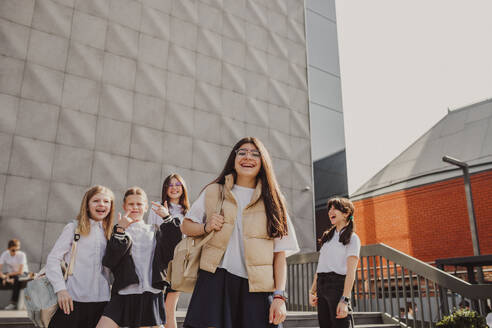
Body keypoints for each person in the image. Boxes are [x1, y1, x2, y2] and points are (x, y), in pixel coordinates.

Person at [181, 137, 300, 328]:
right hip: (215, 280)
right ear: (234, 158)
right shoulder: (214, 191)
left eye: (255, 153)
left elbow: (280, 254)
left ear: (263, 161)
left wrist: (279, 296)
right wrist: (206, 226)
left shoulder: (274, 201)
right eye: (242, 152)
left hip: (258, 288)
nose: (247, 157)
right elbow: (186, 225)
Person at [97, 187, 168, 328]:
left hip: (149, 294)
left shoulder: (154, 231)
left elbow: (173, 248)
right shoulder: (117, 231)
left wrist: (167, 217)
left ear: (146, 207)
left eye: (139, 204)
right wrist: (121, 230)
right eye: (131, 204)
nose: (135, 207)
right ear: (124, 206)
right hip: (124, 293)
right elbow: (111, 260)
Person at [46, 185, 115, 327]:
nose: (101, 204)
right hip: (73, 301)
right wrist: (61, 290)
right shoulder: (73, 228)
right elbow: (53, 259)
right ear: (87, 205)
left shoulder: (111, 233)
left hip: (102, 303)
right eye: (96, 201)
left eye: (106, 201)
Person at [309, 197, 361, 328]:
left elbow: (351, 272)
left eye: (335, 208)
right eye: (329, 209)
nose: (330, 212)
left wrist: (345, 299)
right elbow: (320, 267)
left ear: (346, 213)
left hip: (338, 287)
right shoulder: (327, 237)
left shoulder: (352, 238)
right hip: (322, 285)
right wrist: (312, 291)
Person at [147, 174, 190, 328]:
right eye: (170, 185)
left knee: (169, 308)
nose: (174, 188)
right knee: (155, 308)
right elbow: (151, 234)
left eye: (177, 184)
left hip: (179, 263)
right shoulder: (158, 208)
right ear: (165, 188)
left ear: (183, 187)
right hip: (160, 263)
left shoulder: (189, 212)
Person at [0, 239, 29, 310]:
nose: (15, 252)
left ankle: (13, 303)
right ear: (8, 249)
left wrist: (7, 276)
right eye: (13, 250)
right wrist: (4, 277)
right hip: (10, 274)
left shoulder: (22, 255)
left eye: (17, 250)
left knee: (16, 279)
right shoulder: (5, 254)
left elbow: (20, 271)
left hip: (23, 273)